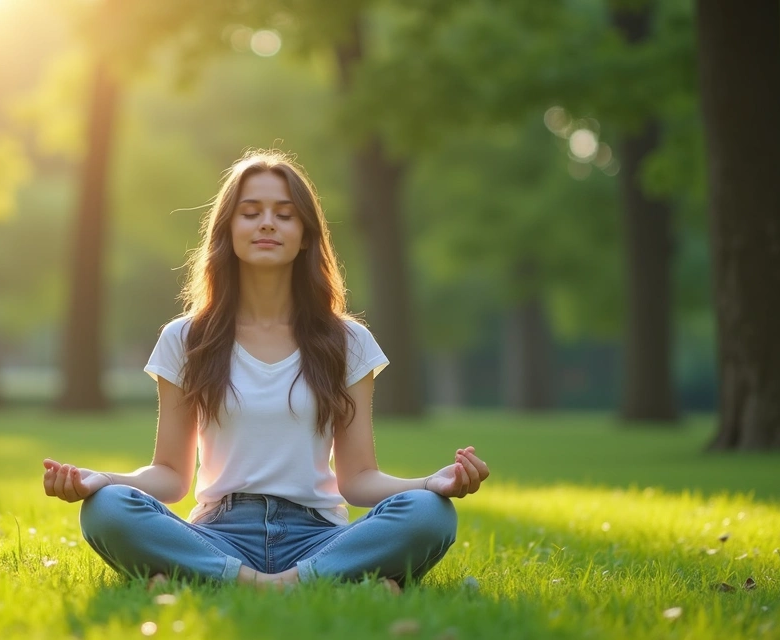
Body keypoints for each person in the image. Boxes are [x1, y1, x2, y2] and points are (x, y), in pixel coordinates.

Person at [43, 150, 490, 591]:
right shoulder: (185, 338)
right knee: (107, 508)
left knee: (430, 513)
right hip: (218, 534)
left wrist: (430, 483)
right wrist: (102, 481)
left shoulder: (348, 341)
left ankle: (218, 582)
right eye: (251, 212)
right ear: (227, 229)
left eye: (285, 214)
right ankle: (321, 585)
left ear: (306, 235)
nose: (267, 224)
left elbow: (358, 480)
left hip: (318, 537)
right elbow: (170, 475)